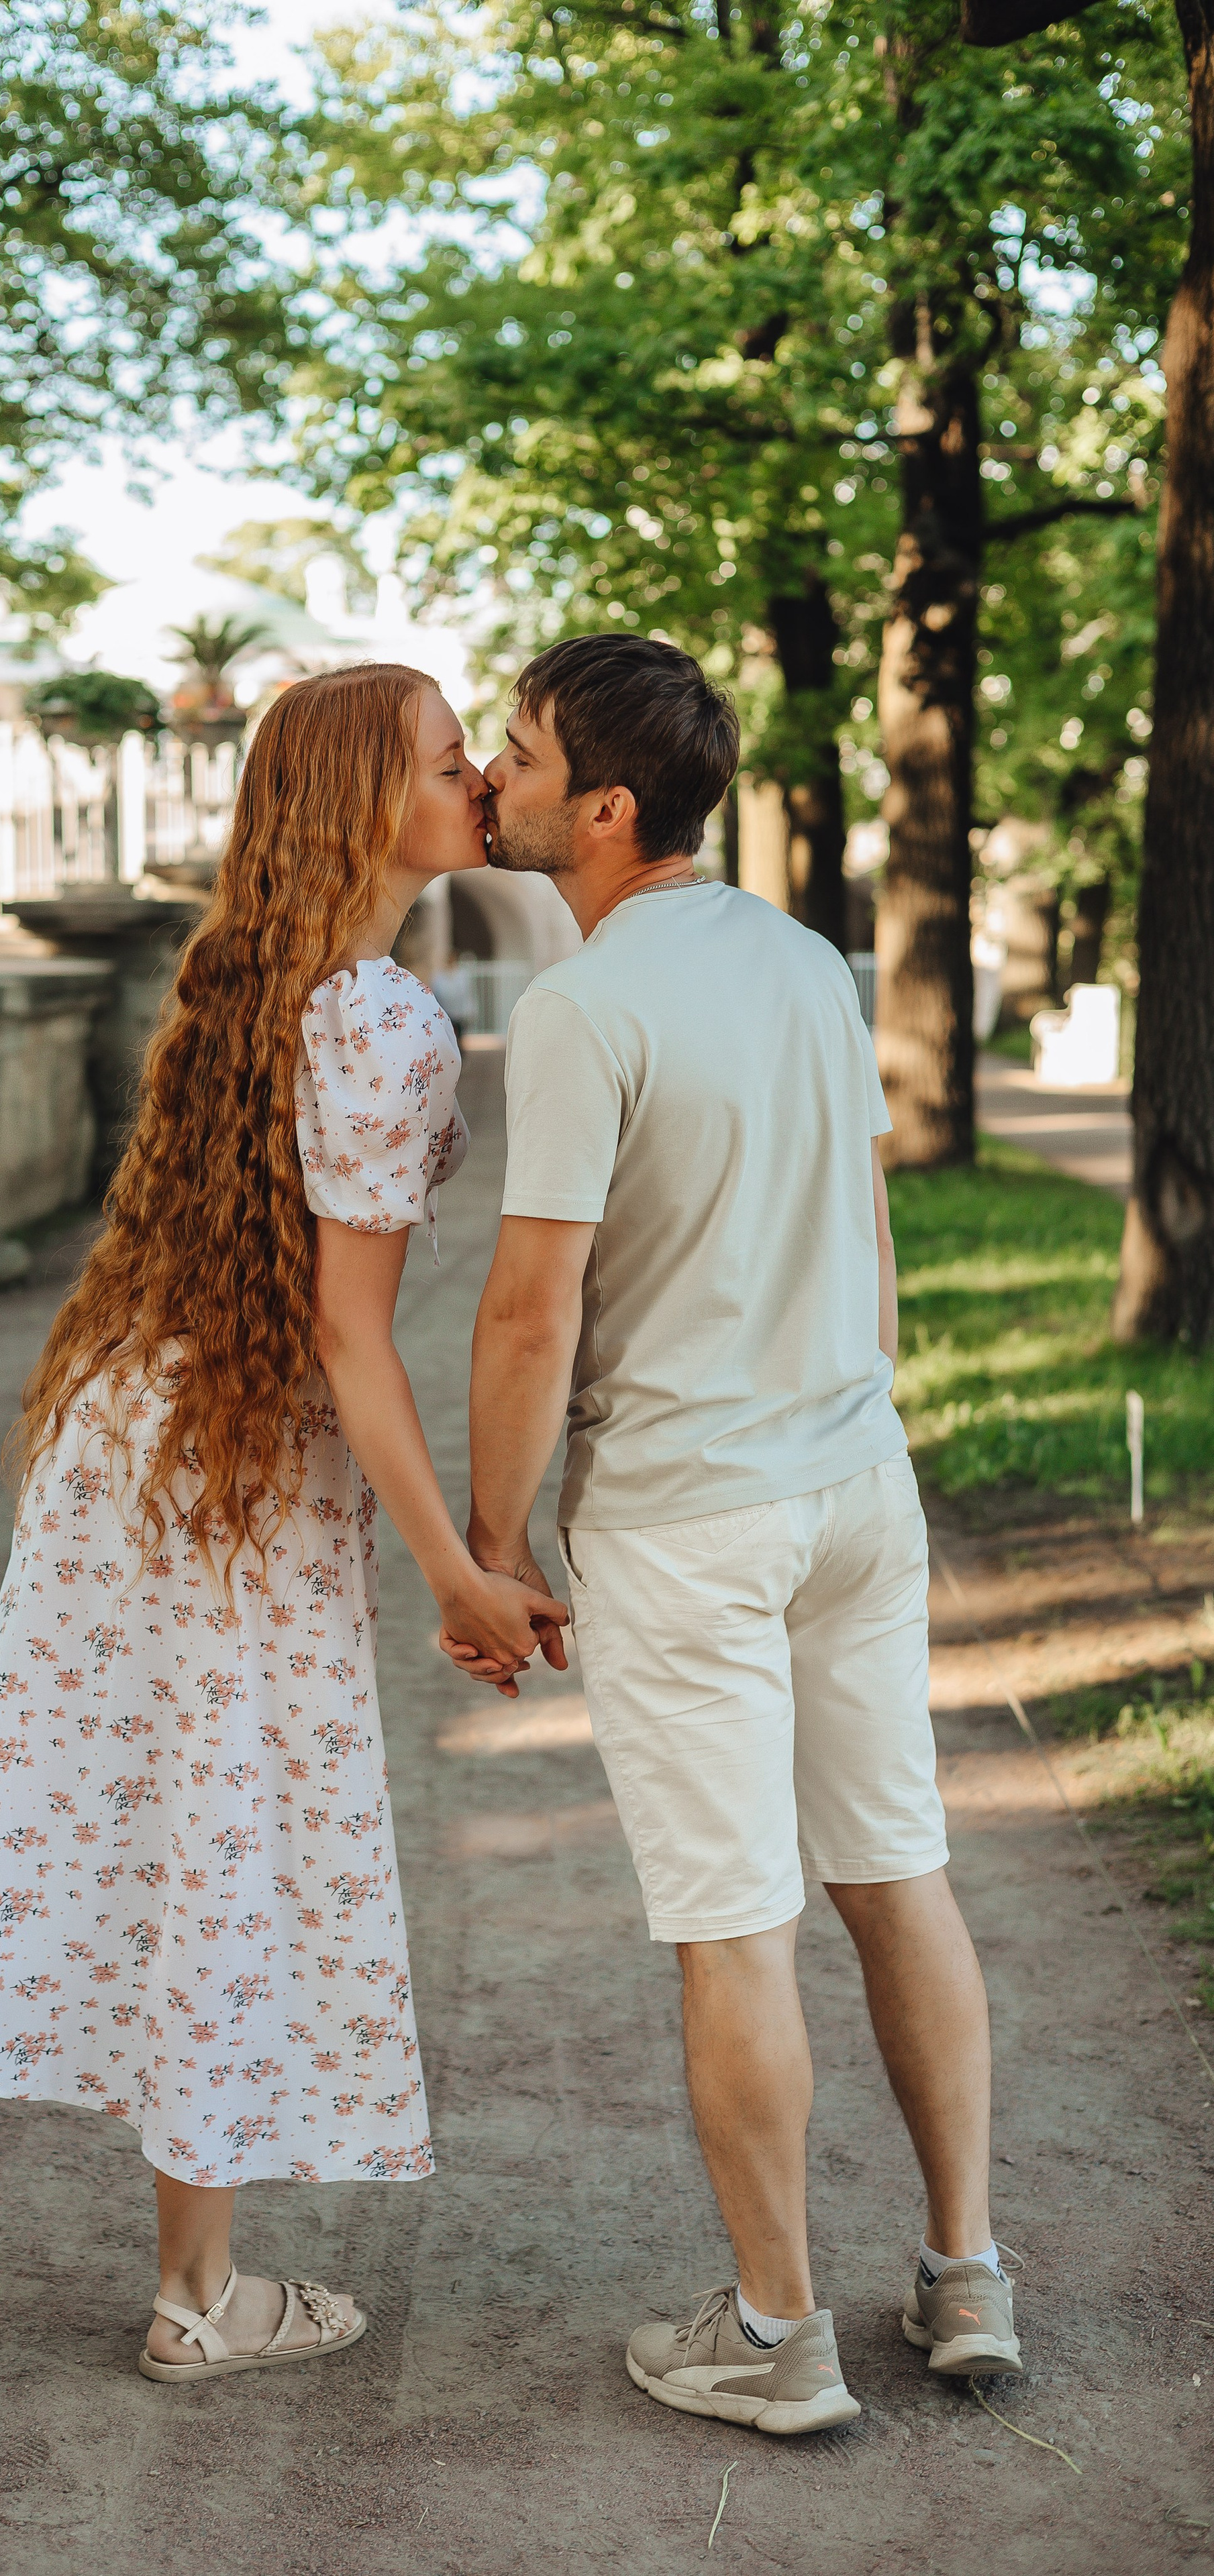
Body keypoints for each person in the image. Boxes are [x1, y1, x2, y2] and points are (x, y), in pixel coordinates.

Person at [0, 663, 566, 2391]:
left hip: (123, 1435)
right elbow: (351, 1341)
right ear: (367, 807)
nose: (477, 785)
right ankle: (199, 2298)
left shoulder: (246, 979)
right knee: (223, 1839)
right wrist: (455, 1561)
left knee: (23, 1804)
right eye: (451, 763)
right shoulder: (382, 1021)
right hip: (245, 1474)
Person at [450, 633, 1016, 2436]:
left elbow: (532, 1314)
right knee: (895, 1871)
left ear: (603, 810)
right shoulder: (804, 962)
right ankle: (965, 2272)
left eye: (522, 755)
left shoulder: (581, 1008)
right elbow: (864, 1228)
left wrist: (493, 1540)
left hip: (691, 1518)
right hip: (855, 1486)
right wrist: (855, 1416)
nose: (495, 775)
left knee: (735, 1927)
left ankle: (779, 2341)